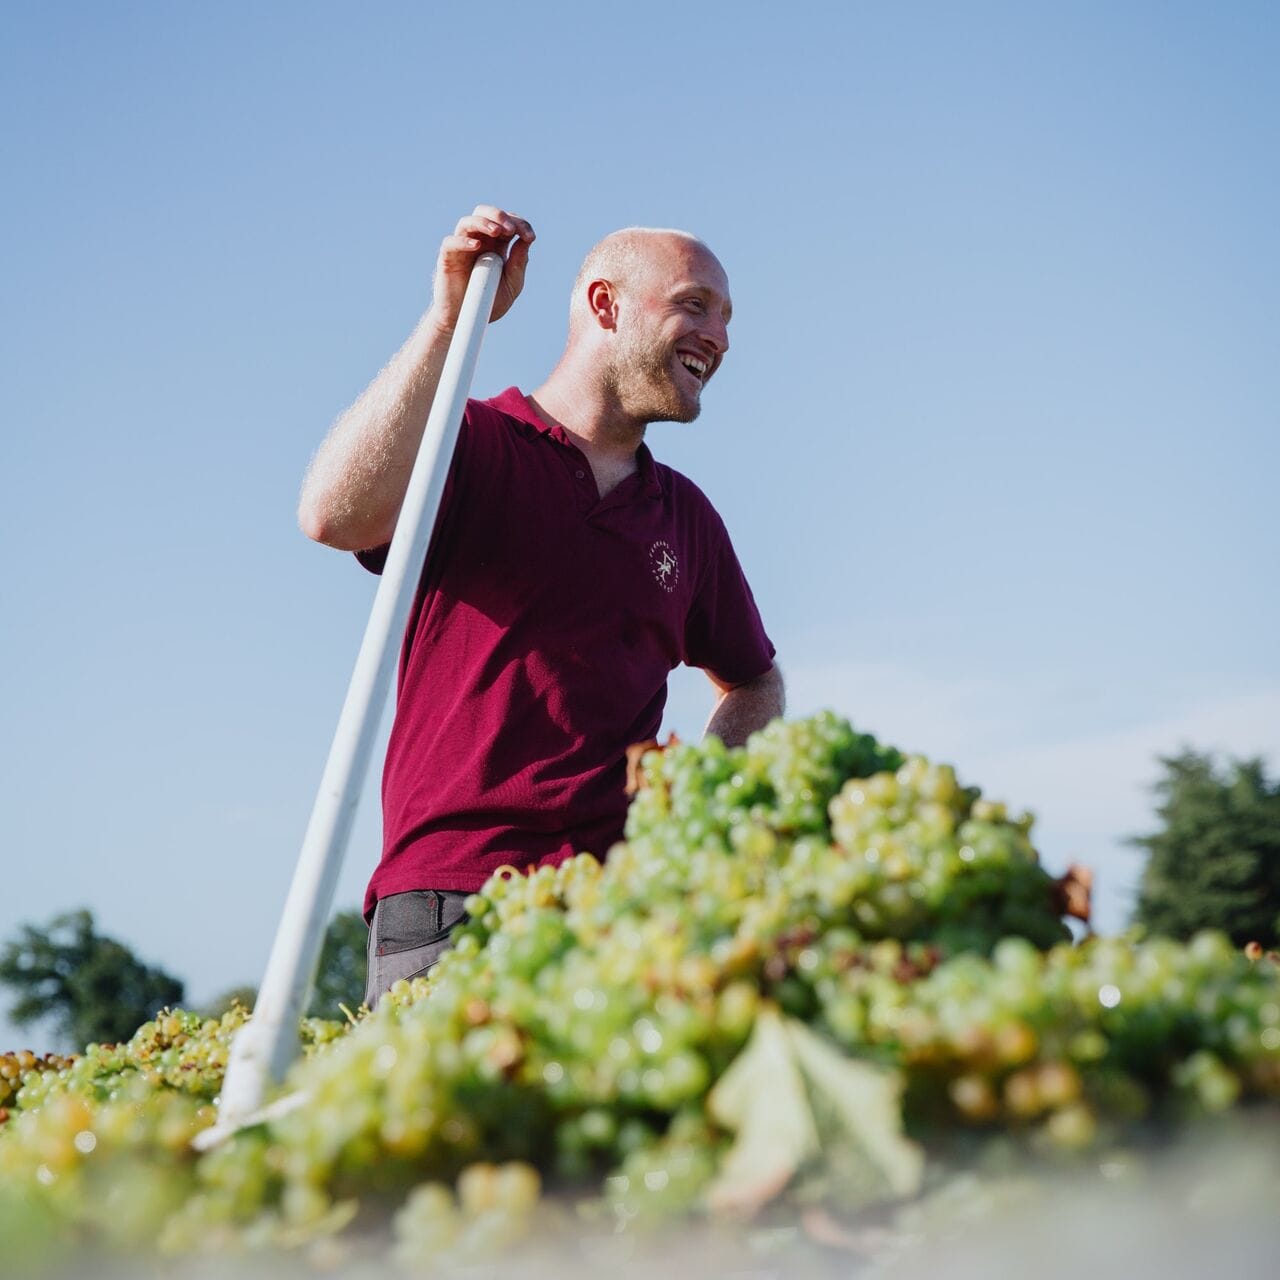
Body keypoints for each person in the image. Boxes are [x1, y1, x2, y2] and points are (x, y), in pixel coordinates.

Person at [298, 206, 784, 1004]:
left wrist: (696, 800)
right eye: (695, 304)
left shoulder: (686, 519)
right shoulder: (475, 445)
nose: (720, 338)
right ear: (606, 305)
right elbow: (331, 516)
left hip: (620, 915)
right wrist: (450, 323)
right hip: (450, 904)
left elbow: (756, 681)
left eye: (727, 318)